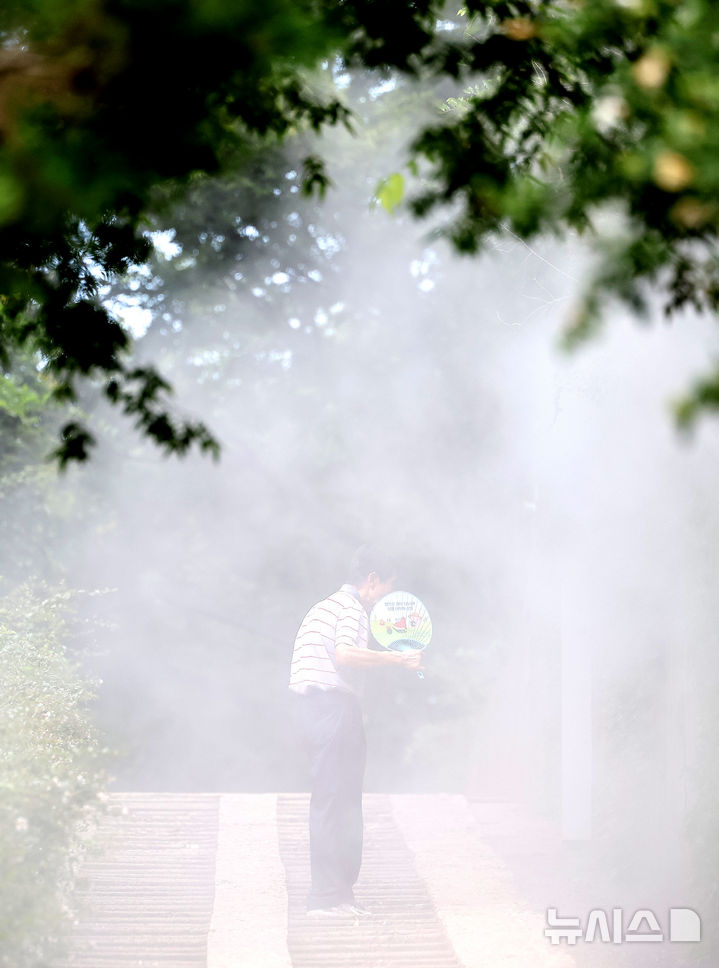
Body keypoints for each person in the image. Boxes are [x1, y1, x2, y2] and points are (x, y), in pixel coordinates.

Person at [288, 548, 423, 917]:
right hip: (331, 708)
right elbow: (345, 654)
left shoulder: (325, 606)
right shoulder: (350, 609)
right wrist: (397, 658)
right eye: (386, 588)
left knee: (335, 799)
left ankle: (336, 895)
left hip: (311, 709)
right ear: (373, 579)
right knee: (338, 801)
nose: (382, 597)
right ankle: (327, 898)